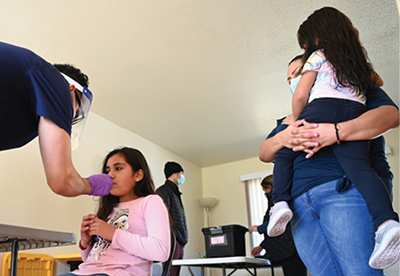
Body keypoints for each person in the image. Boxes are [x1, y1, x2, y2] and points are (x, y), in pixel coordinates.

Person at [266, 7, 399, 269]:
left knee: (358, 270)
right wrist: (285, 135)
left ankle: (278, 202)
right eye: (289, 78)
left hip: (340, 191)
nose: (294, 79)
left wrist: (310, 122)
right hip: (302, 202)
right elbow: (265, 151)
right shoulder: (357, 70)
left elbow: (392, 116)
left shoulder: (318, 63)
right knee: (357, 165)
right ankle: (388, 222)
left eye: (298, 72)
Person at [0, 41, 113, 197]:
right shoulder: (56, 84)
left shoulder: (21, 114)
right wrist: (91, 185)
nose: (69, 116)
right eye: (75, 110)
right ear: (71, 90)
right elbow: (62, 181)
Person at [58, 147, 171, 276]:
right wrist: (85, 242)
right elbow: (93, 262)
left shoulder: (150, 201)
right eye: (107, 171)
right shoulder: (108, 209)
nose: (110, 175)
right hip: (86, 272)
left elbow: (160, 251)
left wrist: (113, 234)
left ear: (138, 175)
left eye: (118, 168)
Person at [248, 175, 307, 276]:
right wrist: (262, 246)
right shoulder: (276, 201)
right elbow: (275, 231)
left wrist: (257, 228)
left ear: (269, 187)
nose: (265, 193)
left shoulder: (282, 200)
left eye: (264, 190)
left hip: (290, 248)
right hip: (286, 249)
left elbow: (277, 221)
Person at [156, 162, 188, 276]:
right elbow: (162, 217)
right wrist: (174, 235)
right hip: (172, 240)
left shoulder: (175, 193)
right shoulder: (163, 191)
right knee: (170, 272)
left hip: (179, 240)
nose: (182, 177)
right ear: (175, 174)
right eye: (181, 174)